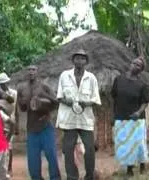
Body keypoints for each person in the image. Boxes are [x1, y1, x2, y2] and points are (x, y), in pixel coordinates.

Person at [56, 49, 101, 180]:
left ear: (86, 61)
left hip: (85, 119)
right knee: (68, 149)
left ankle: (89, 176)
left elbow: (96, 100)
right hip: (69, 119)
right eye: (77, 58)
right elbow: (59, 97)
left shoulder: (91, 78)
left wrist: (86, 103)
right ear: (73, 60)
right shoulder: (64, 75)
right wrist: (67, 101)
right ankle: (72, 176)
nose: (79, 60)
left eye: (82, 58)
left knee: (90, 148)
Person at [17, 65, 60, 180]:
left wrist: (42, 98)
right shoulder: (21, 89)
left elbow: (56, 103)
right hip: (31, 127)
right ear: (27, 72)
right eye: (29, 70)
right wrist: (24, 103)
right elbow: (22, 109)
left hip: (45, 125)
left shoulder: (44, 86)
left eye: (33, 70)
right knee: (33, 159)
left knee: (51, 156)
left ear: (37, 72)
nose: (31, 72)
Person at [111, 57, 149, 177]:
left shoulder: (142, 84)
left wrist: (138, 112)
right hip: (121, 117)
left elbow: (145, 102)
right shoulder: (118, 80)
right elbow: (114, 98)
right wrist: (113, 115)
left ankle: (142, 164)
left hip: (136, 120)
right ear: (130, 64)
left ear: (141, 70)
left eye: (139, 65)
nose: (135, 66)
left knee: (138, 144)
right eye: (134, 63)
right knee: (125, 144)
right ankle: (129, 168)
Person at [0, 72, 19, 177]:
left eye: (5, 83)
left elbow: (16, 109)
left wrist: (17, 126)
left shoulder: (14, 93)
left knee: (9, 146)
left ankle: (9, 168)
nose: (3, 85)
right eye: (1, 83)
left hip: (11, 122)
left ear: (8, 82)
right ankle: (0, 168)